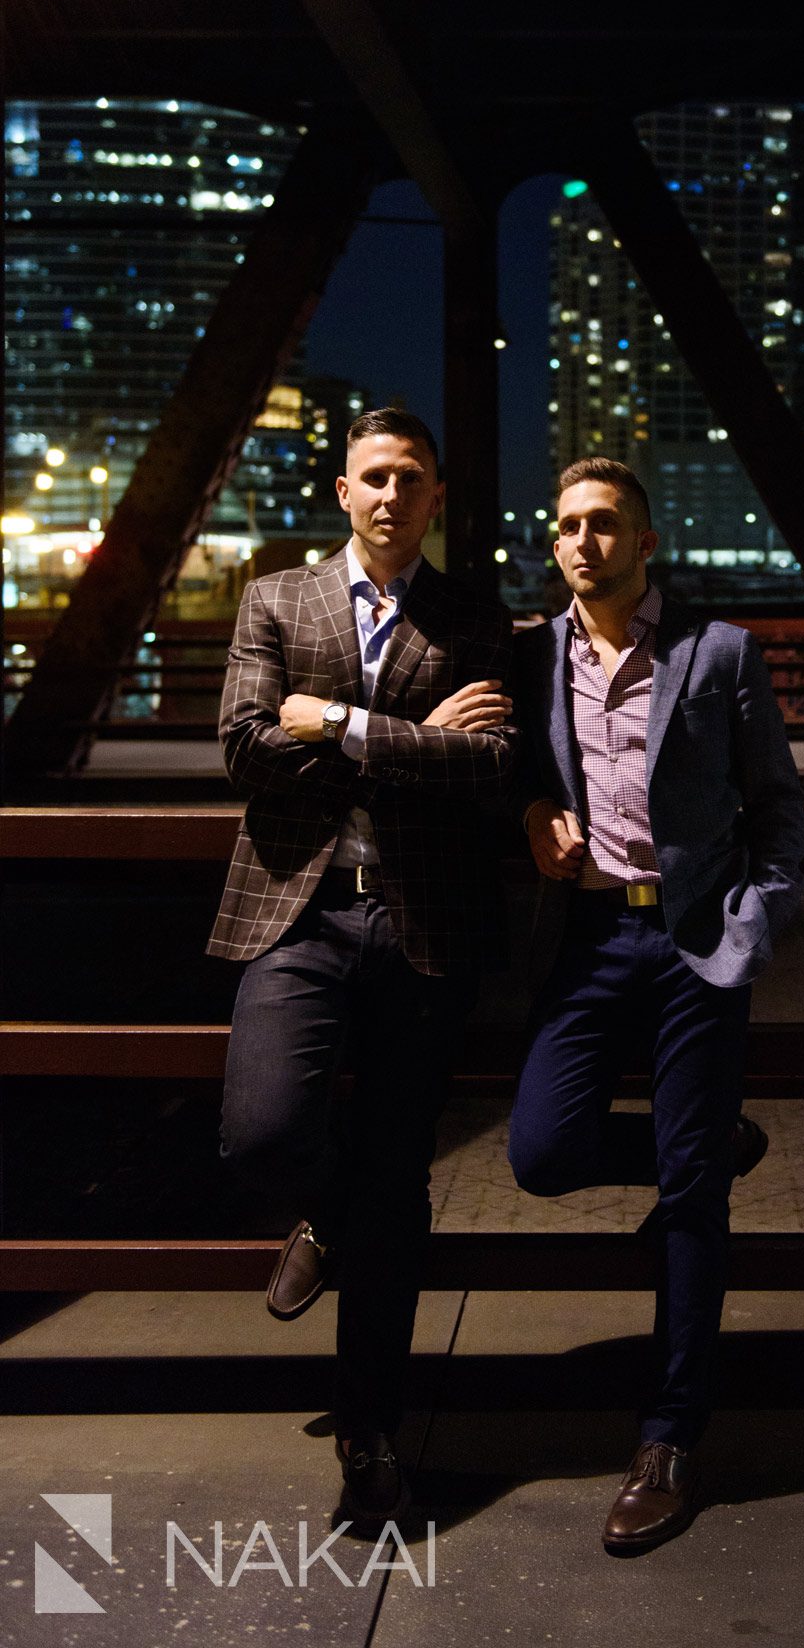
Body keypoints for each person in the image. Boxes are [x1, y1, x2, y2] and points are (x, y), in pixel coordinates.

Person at [209, 407, 516, 1537]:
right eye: (373, 477)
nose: (392, 495)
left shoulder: (475, 616)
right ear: (341, 492)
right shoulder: (273, 598)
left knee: (399, 1184)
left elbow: (487, 763)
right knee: (265, 1135)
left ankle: (368, 1432)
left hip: (421, 923)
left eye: (412, 479)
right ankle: (321, 1215)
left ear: (436, 499)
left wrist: (332, 719)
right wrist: (408, 734)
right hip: (297, 912)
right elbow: (243, 745)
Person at [508, 456, 804, 1555]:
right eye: (566, 526)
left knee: (689, 1195)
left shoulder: (717, 652)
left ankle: (670, 1435)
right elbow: (507, 770)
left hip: (689, 941)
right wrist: (535, 806)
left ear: (644, 542)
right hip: (587, 935)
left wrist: (754, 916)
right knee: (540, 1152)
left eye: (604, 524)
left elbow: (778, 802)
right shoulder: (531, 651)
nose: (582, 541)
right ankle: (708, 1141)